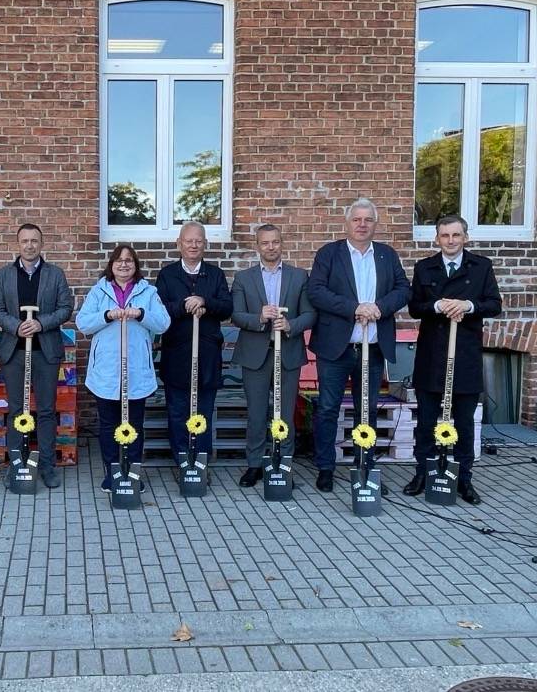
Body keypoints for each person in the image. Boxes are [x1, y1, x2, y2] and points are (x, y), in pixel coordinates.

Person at [308, 199, 411, 492]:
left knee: (367, 409)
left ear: (375, 224)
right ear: (347, 223)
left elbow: (403, 289)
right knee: (328, 408)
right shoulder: (329, 254)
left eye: (368, 220)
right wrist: (354, 308)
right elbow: (316, 291)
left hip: (373, 348)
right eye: (356, 219)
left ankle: (365, 466)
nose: (362, 225)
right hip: (336, 348)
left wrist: (379, 307)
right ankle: (325, 468)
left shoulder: (387, 255)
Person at [403, 215, 502, 505]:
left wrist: (468, 305)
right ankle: (423, 473)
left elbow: (494, 304)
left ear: (465, 237)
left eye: (456, 235)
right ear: (437, 238)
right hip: (432, 356)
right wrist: (437, 305)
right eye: (444, 235)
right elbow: (414, 307)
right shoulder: (425, 267)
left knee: (464, 423)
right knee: (426, 422)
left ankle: (463, 479)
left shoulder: (481, 266)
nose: (450, 240)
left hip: (466, 355)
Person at [77, 245, 170, 492]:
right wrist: (107, 315)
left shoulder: (148, 292)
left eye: (129, 260)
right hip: (106, 371)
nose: (124, 264)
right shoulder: (98, 291)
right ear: (111, 264)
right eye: (119, 260)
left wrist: (141, 313)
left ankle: (133, 472)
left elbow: (163, 323)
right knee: (109, 425)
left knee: (134, 425)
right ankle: (112, 472)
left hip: (136, 370)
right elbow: (83, 323)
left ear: (135, 265)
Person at [231, 224, 316, 486]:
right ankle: (254, 464)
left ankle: (283, 464)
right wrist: (259, 317)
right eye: (265, 242)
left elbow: (310, 314)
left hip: (288, 353)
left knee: (285, 413)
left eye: (275, 242)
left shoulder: (299, 276)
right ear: (257, 245)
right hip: (255, 355)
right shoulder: (243, 278)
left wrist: (291, 325)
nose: (271, 247)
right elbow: (236, 315)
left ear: (282, 243)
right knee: (256, 414)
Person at [0, 224, 74, 488]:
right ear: (18, 244)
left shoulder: (55, 274)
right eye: (25, 241)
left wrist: (40, 323)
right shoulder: (4, 275)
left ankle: (47, 466)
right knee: (17, 410)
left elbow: (66, 308)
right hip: (14, 351)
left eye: (34, 241)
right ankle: (18, 465)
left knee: (46, 410)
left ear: (41, 243)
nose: (29, 245)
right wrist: (16, 326)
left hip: (45, 352)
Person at [155, 221, 233, 467]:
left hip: (207, 356)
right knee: (178, 412)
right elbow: (159, 311)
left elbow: (227, 308)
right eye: (188, 241)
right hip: (176, 355)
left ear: (205, 244)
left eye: (198, 241)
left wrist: (204, 301)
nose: (193, 245)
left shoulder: (215, 274)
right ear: (179, 243)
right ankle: (182, 463)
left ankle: (200, 464)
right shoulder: (167, 275)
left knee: (203, 412)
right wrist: (184, 305)